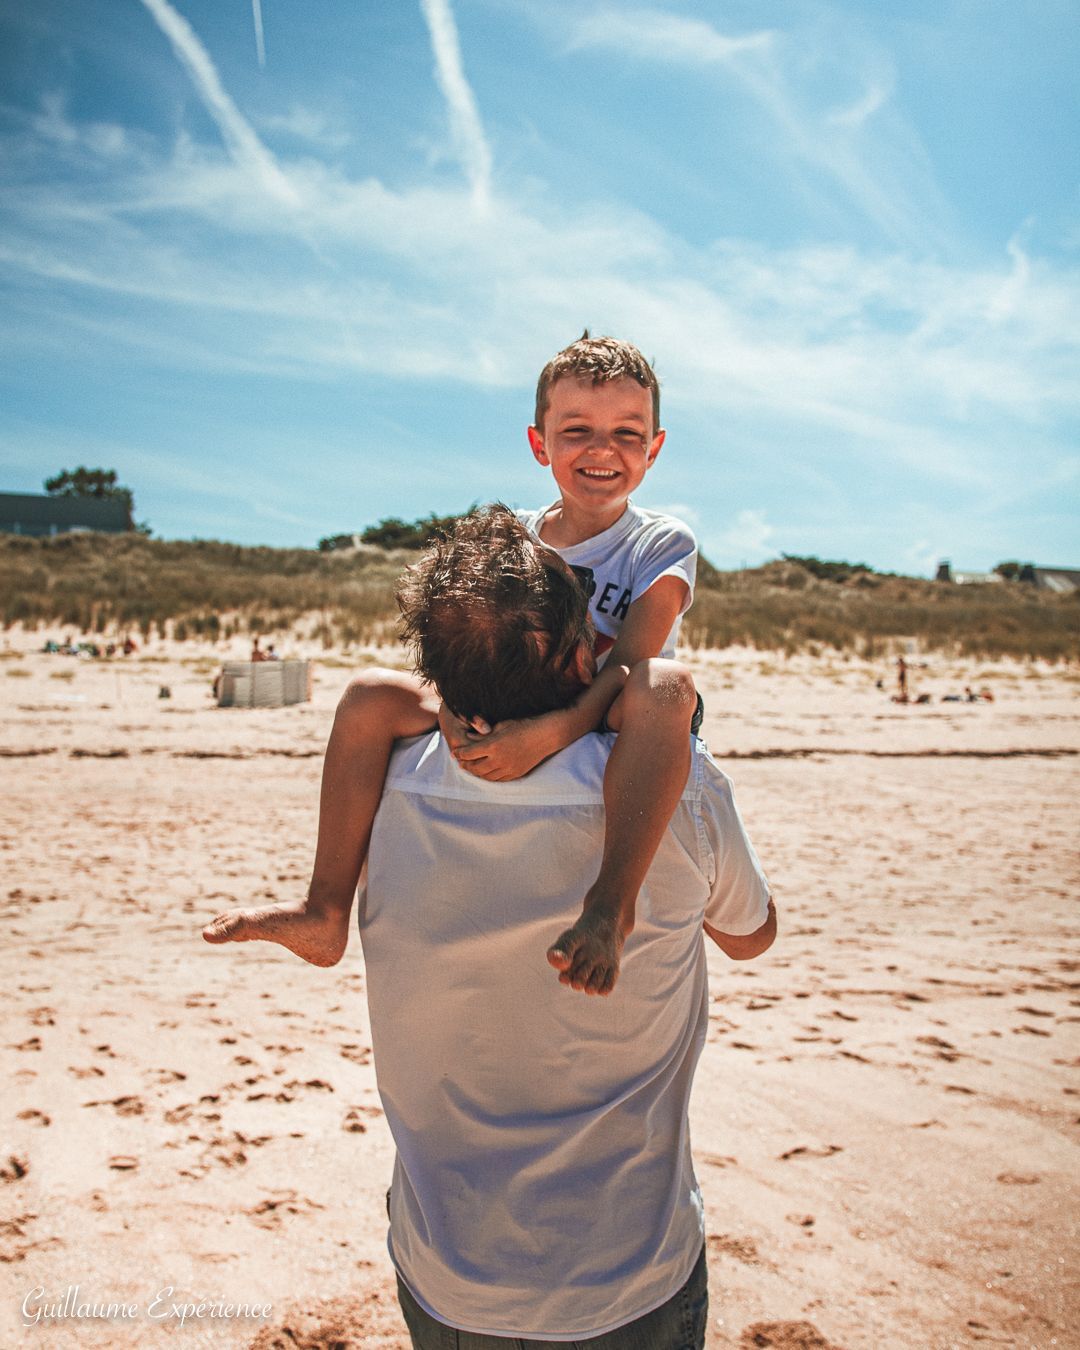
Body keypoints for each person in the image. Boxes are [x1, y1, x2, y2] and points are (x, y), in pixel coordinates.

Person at [208, 506, 774, 1346]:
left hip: (448, 1274)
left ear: (436, 674)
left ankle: (322, 911)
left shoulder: (388, 774)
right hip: (626, 1276)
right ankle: (606, 908)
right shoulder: (677, 792)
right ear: (583, 652)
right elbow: (751, 934)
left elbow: (376, 698)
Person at [204, 334, 700, 996]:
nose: (602, 449)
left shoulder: (660, 542)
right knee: (367, 697)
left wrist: (550, 734)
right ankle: (323, 911)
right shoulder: (514, 534)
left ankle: (610, 908)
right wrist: (449, 708)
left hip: (612, 709)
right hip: (515, 695)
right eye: (577, 429)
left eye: (627, 433)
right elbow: (457, 640)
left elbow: (630, 664)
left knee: (666, 687)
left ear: (655, 448)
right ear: (539, 443)